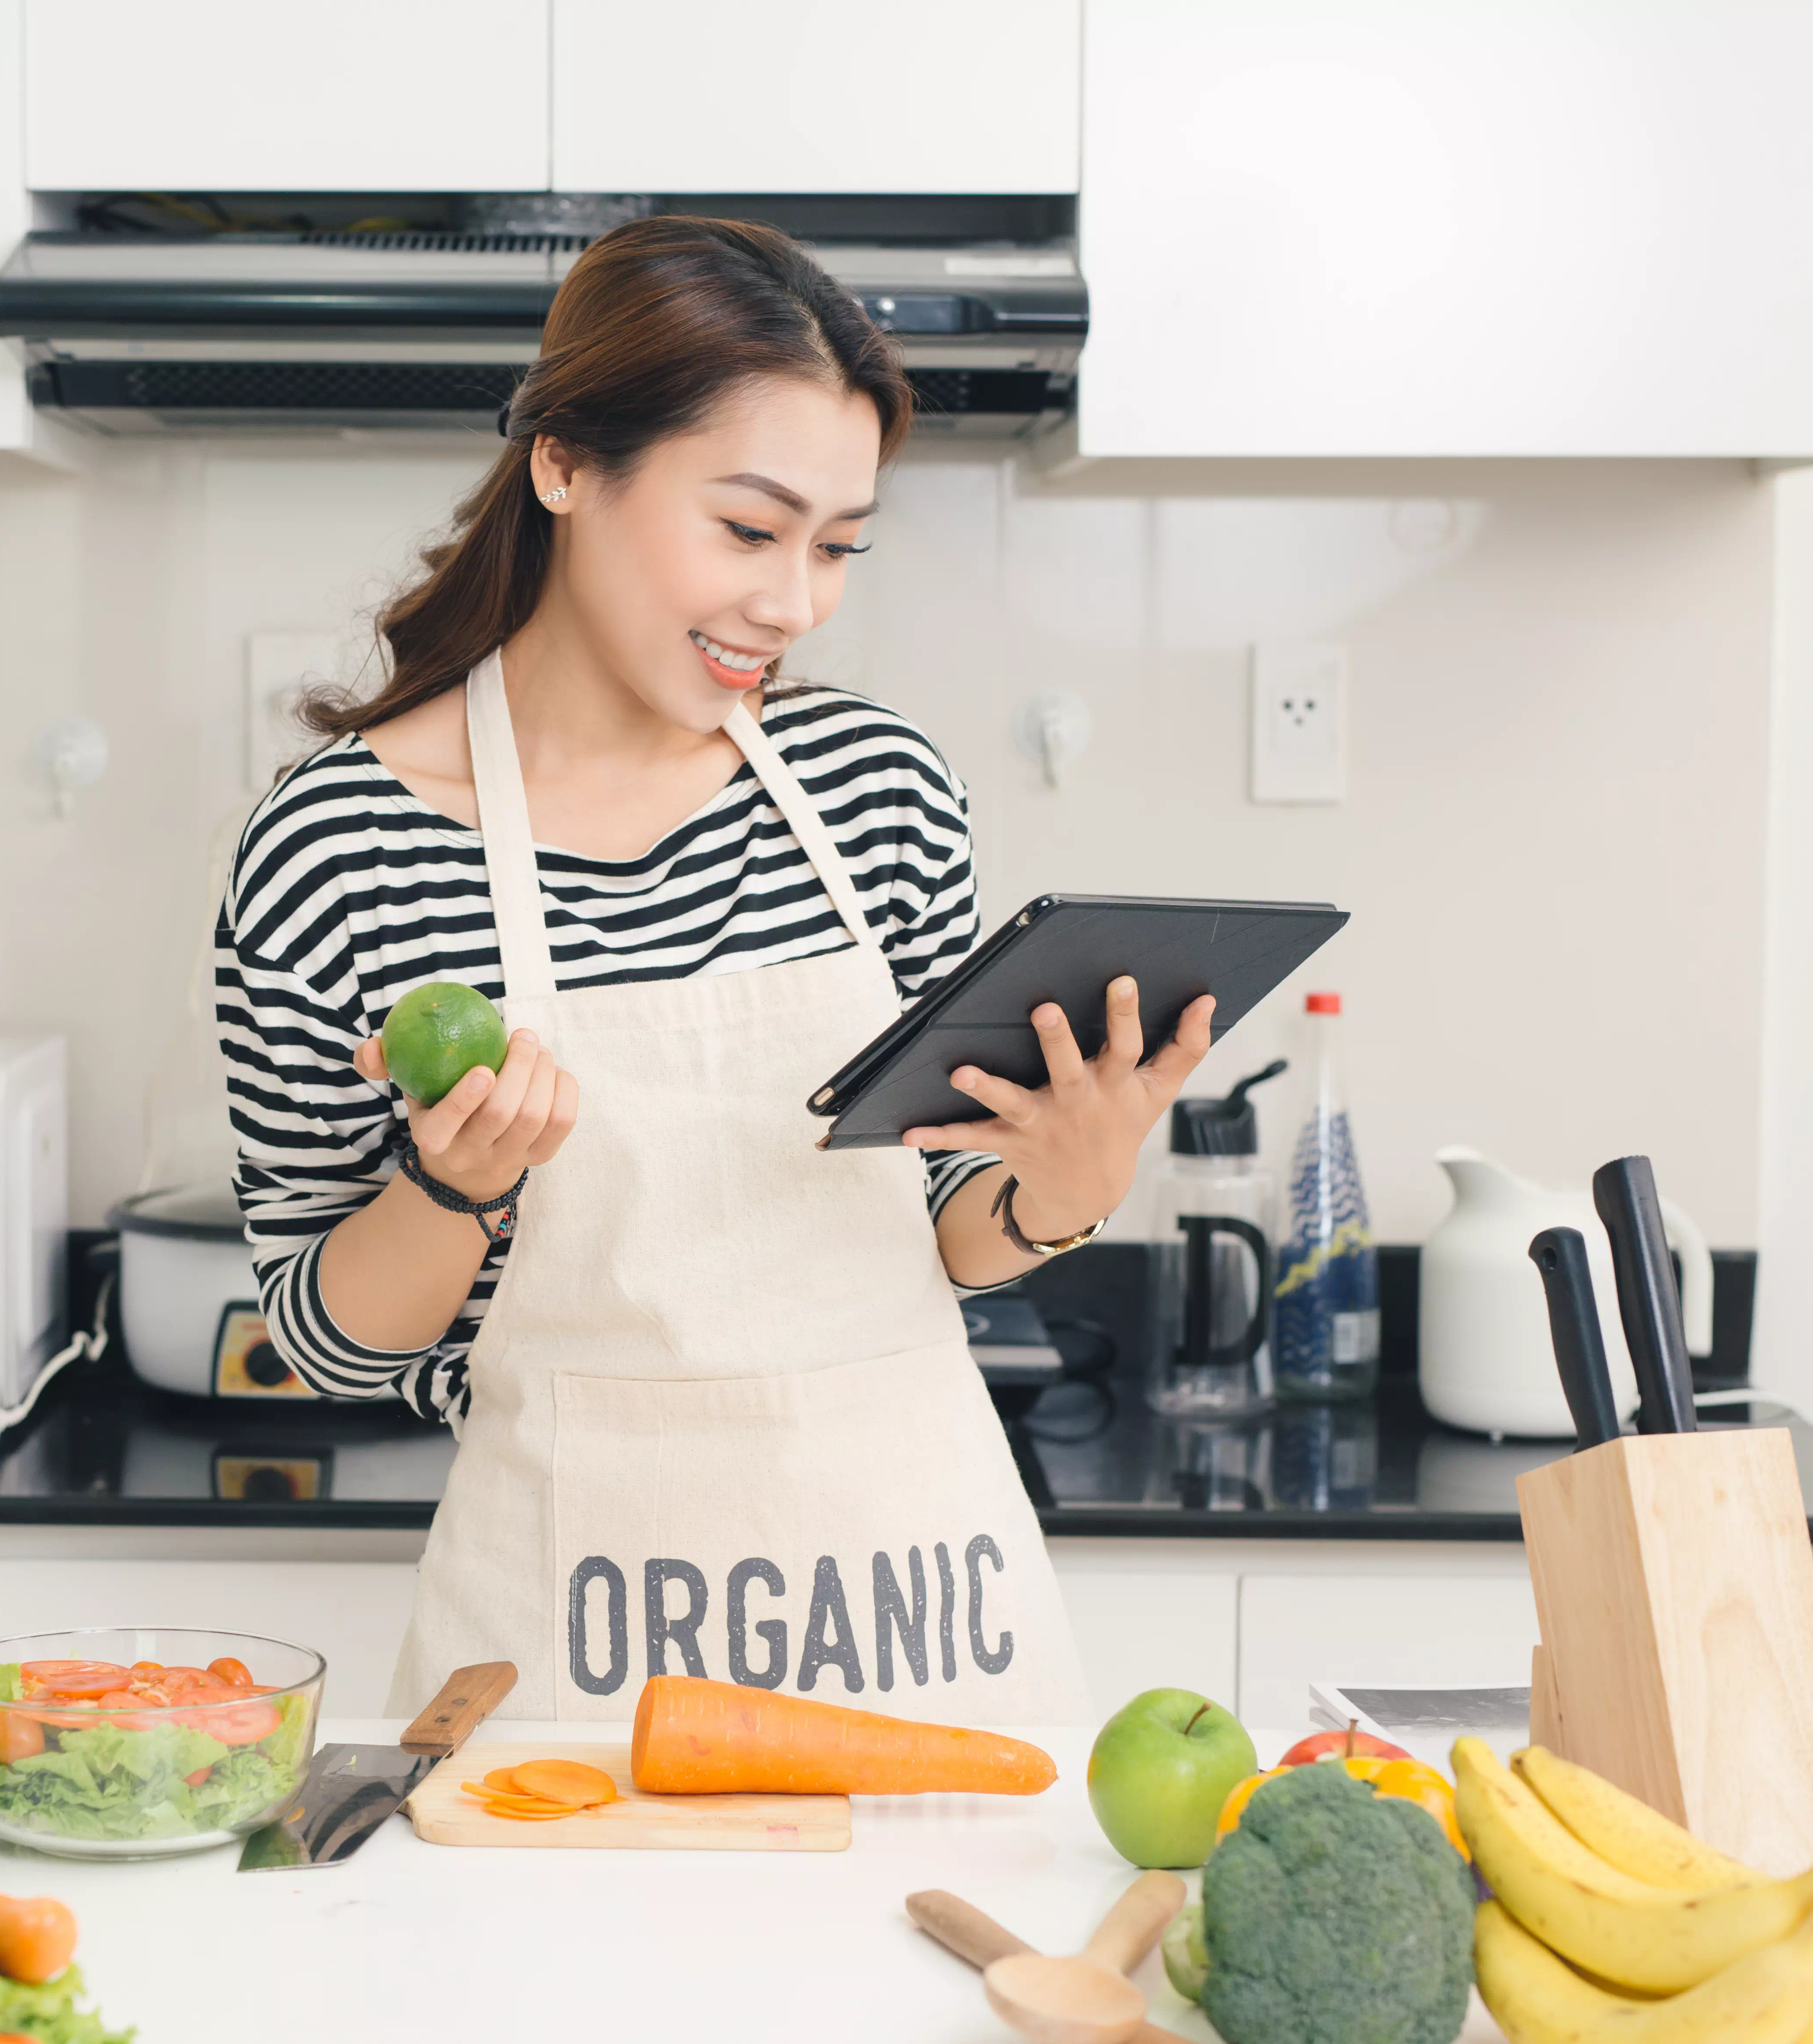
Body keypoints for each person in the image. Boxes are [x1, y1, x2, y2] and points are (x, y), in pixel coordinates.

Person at [214, 216, 1211, 1721]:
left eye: (837, 547)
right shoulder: (337, 848)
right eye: (749, 531)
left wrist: (1068, 1181)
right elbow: (327, 1340)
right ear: (563, 464)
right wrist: (452, 1190)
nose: (793, 602)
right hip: (568, 1693)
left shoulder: (880, 791)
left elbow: (950, 1223)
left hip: (926, 1658)